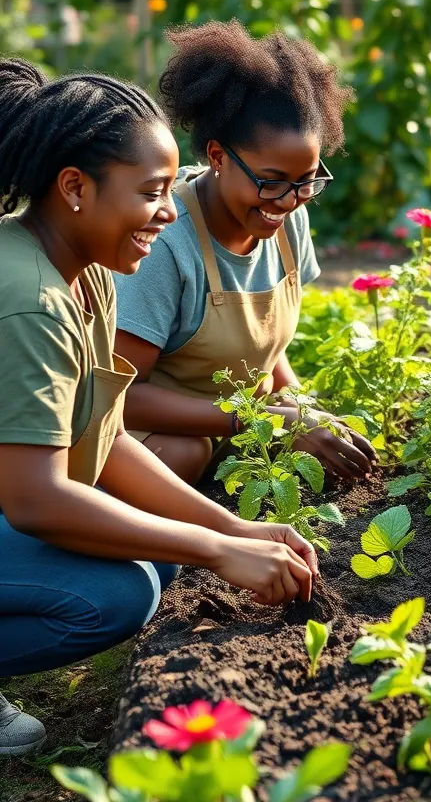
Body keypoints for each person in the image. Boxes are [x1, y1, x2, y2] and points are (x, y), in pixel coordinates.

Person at [0, 59, 320, 756]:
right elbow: (33, 499)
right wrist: (217, 550)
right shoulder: (28, 297)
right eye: (152, 193)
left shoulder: (89, 269)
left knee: (157, 555)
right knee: (115, 597)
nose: (171, 211)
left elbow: (106, 438)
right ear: (76, 188)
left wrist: (238, 530)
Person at [113, 21, 375, 484]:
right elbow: (122, 395)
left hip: (238, 427)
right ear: (217, 156)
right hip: (141, 438)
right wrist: (267, 422)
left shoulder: (288, 216)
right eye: (270, 180)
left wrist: (302, 407)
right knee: (184, 453)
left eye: (307, 181)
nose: (289, 200)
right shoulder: (166, 241)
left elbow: (261, 349)